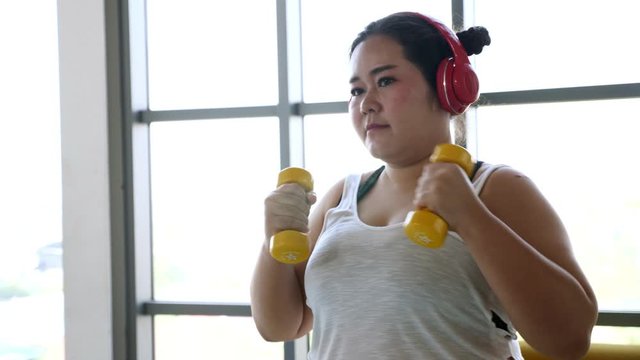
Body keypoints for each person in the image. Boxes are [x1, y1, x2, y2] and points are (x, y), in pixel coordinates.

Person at [250, 11, 598, 360]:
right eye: (357, 90)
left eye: (385, 81)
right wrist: (272, 240)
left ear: (447, 86)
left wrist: (470, 216)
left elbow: (569, 340)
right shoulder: (342, 196)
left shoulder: (497, 187)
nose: (366, 103)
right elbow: (281, 325)